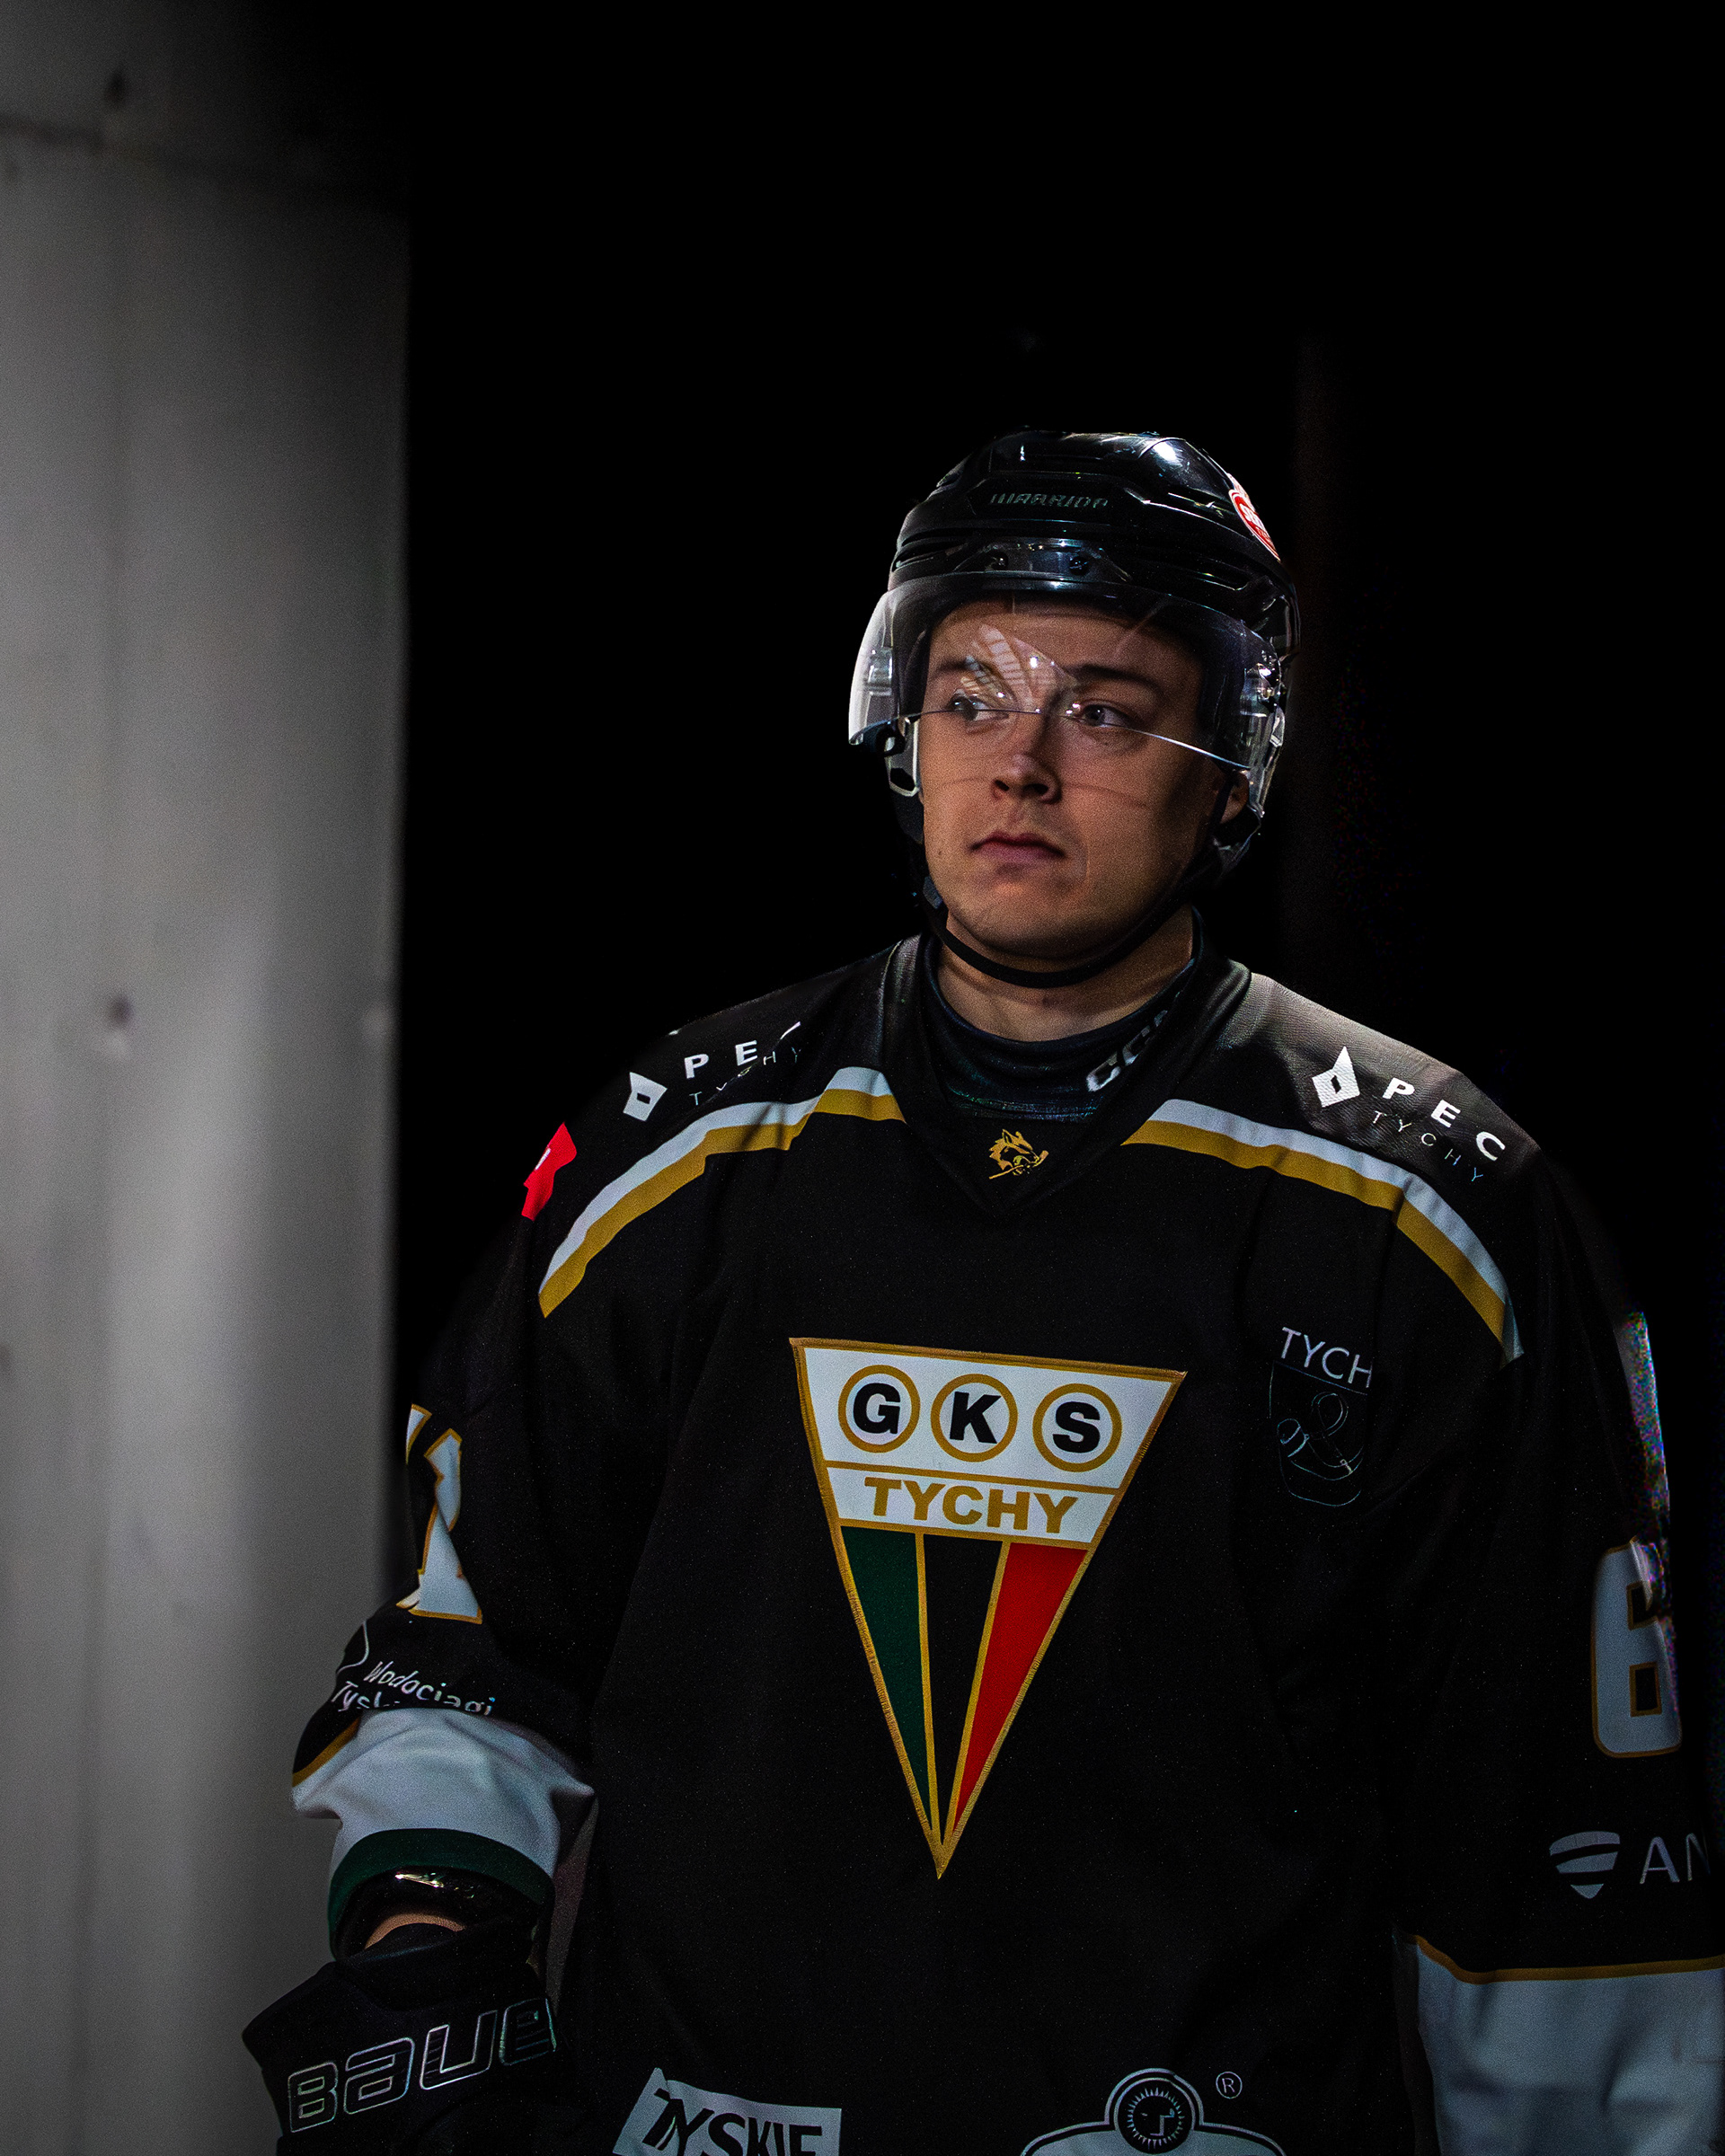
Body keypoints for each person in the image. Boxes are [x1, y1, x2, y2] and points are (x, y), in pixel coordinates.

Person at [245, 431, 1723, 2154]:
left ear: (1231, 769)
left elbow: (1557, 1828)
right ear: (904, 727)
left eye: (1105, 709)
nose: (1020, 762)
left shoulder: (1433, 1211)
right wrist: (426, 1953)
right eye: (971, 696)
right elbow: (473, 1640)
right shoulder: (680, 1152)